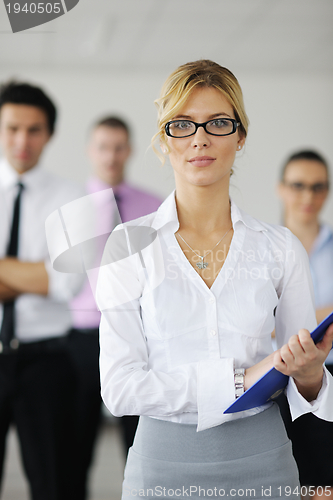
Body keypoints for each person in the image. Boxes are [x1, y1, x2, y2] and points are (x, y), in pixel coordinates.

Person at [97, 60, 333, 500]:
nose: (200, 138)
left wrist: (312, 375)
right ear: (164, 139)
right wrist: (240, 381)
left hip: (266, 465)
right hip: (159, 470)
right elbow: (120, 388)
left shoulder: (280, 249)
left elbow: (304, 385)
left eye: (218, 123)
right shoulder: (127, 245)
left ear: (240, 135)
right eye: (182, 124)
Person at [69, 116, 162, 499]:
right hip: (82, 338)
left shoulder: (154, 205)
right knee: (75, 444)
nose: (111, 155)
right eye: (103, 146)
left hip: (141, 335)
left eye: (119, 146)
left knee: (137, 440)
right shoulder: (70, 209)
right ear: (91, 151)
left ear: (129, 150)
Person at [0, 81, 84, 500]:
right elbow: (48, 276)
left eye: (34, 130)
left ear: (49, 134)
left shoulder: (72, 198)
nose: (22, 140)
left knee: (54, 485)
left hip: (46, 361)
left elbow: (67, 281)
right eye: (12, 127)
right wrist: (35, 273)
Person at [277, 150, 333, 498]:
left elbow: (268, 318)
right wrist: (320, 315)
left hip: (331, 379)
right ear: (281, 189)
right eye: (298, 186)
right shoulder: (262, 249)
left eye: (317, 187)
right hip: (275, 385)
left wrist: (283, 317)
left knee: (323, 489)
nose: (308, 196)